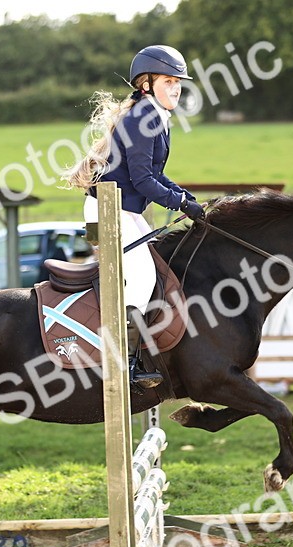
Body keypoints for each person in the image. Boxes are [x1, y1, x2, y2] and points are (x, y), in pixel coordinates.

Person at [66, 44, 205, 391]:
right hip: (106, 212)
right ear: (146, 84)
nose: (176, 88)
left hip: (122, 210)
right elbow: (144, 181)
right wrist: (181, 204)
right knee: (141, 280)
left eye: (179, 82)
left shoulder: (155, 116)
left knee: (155, 270)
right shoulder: (143, 119)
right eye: (169, 80)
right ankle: (124, 364)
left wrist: (187, 198)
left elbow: (156, 175)